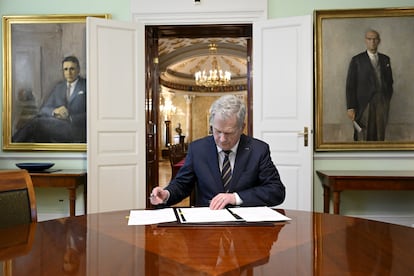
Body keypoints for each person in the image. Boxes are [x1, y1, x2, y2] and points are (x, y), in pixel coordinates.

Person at [150, 95, 286, 210]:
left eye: (229, 133)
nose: (222, 139)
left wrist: (235, 198)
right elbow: (182, 184)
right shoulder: (198, 149)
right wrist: (166, 194)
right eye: (217, 131)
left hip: (246, 228)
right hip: (207, 225)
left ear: (242, 128)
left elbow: (276, 191)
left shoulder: (258, 150)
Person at [12, 56, 87, 143]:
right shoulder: (59, 87)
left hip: (76, 129)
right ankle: (14, 145)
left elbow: (92, 114)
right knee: (36, 127)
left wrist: (70, 118)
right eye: (65, 69)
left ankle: (12, 144)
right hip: (58, 126)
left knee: (37, 124)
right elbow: (43, 109)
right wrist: (55, 111)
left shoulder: (86, 86)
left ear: (78, 70)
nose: (68, 73)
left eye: (72, 69)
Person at [346, 29, 393, 141]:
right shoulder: (357, 60)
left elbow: (390, 82)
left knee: (380, 133)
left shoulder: (385, 59)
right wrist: (350, 106)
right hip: (364, 103)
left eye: (375, 39)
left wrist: (386, 99)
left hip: (381, 102)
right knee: (365, 134)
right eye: (369, 39)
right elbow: (350, 85)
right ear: (365, 41)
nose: (372, 42)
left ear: (379, 41)